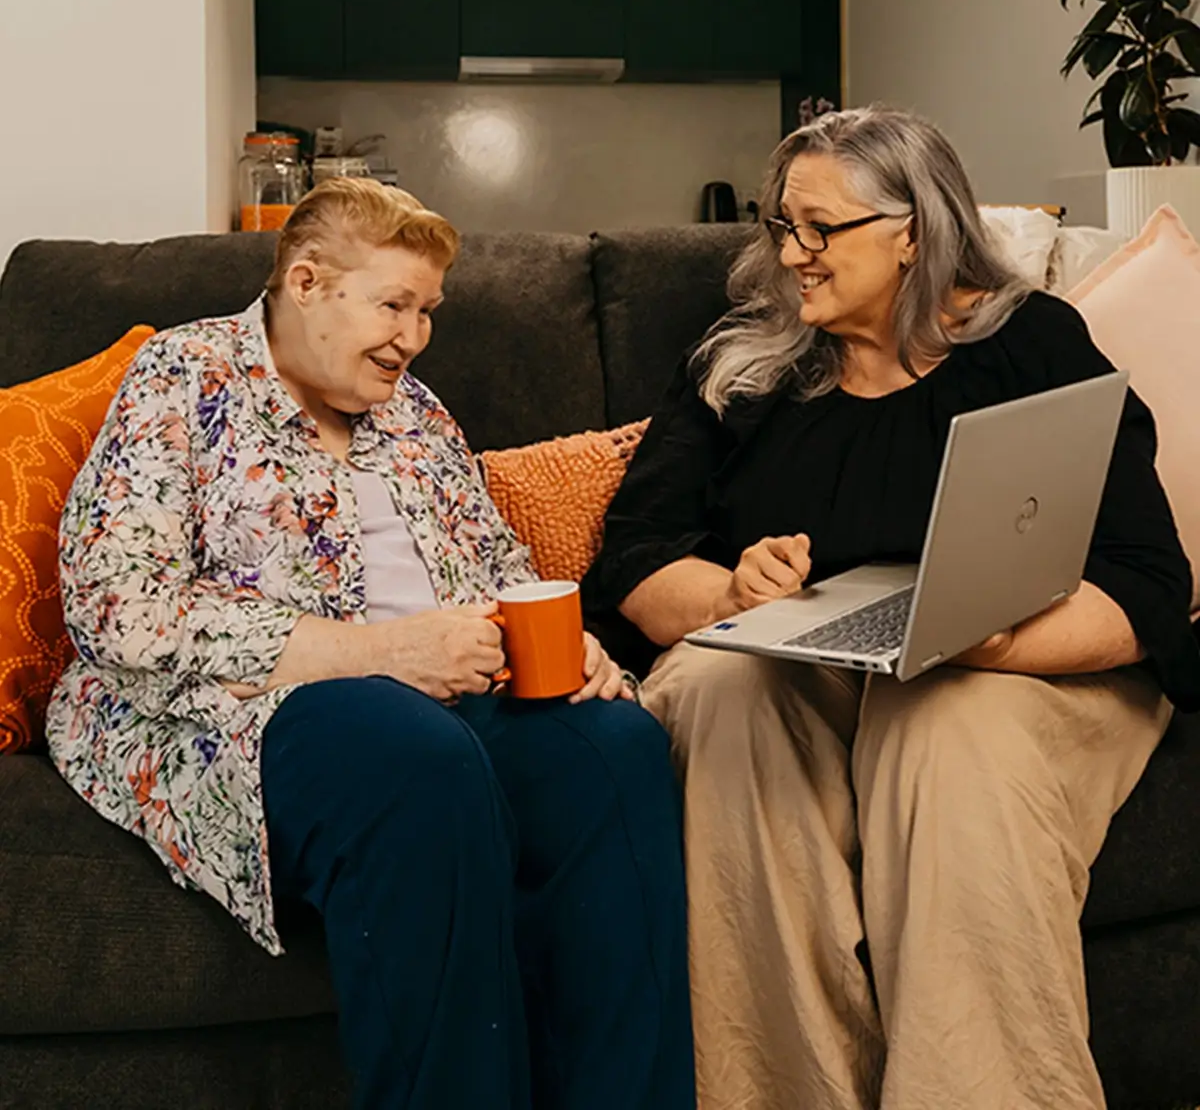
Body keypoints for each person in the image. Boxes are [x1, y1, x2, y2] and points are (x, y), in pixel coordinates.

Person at [582, 107, 1200, 1110]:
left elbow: (1147, 582)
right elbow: (636, 563)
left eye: (822, 230)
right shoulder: (742, 364)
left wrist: (992, 638)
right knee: (716, 690)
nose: (794, 256)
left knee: (947, 729)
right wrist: (732, 591)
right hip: (804, 659)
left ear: (914, 231)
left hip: (1023, 660)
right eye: (784, 226)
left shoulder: (1031, 343)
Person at [47, 178, 695, 1110]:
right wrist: (384, 653)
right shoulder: (184, 377)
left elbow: (497, 560)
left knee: (616, 748)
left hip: (446, 694)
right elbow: (117, 606)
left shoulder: (417, 415)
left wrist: (572, 645)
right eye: (394, 305)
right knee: (415, 758)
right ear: (306, 283)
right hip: (258, 707)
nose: (415, 336)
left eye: (428, 311)